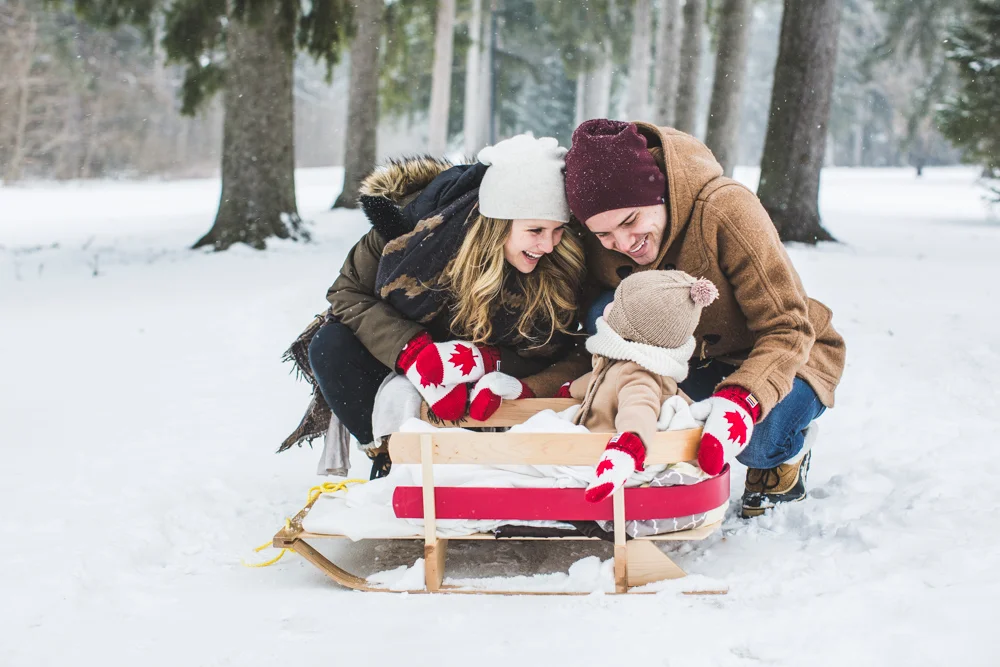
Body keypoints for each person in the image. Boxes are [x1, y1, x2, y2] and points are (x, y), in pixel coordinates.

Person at [563, 119, 846, 518]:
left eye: (630, 222)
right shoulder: (602, 240)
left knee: (758, 442)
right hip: (688, 361)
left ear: (660, 193)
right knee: (604, 316)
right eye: (604, 236)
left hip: (787, 355)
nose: (623, 244)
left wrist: (742, 400)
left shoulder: (725, 210)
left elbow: (788, 327)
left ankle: (785, 454)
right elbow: (591, 331)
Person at [282, 134, 590, 479]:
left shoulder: (562, 260)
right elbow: (347, 292)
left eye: (557, 230)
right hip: (407, 352)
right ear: (497, 222)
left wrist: (484, 361)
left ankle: (474, 457)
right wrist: (414, 352)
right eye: (535, 230)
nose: (548, 245)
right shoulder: (409, 230)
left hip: (492, 370)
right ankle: (389, 454)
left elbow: (555, 348)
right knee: (331, 345)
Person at [567, 270, 719, 503]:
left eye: (616, 306)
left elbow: (639, 407)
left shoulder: (638, 372)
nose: (607, 307)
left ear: (633, 330)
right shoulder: (620, 360)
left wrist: (629, 444)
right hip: (593, 442)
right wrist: (569, 390)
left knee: (539, 436)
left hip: (603, 448)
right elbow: (597, 381)